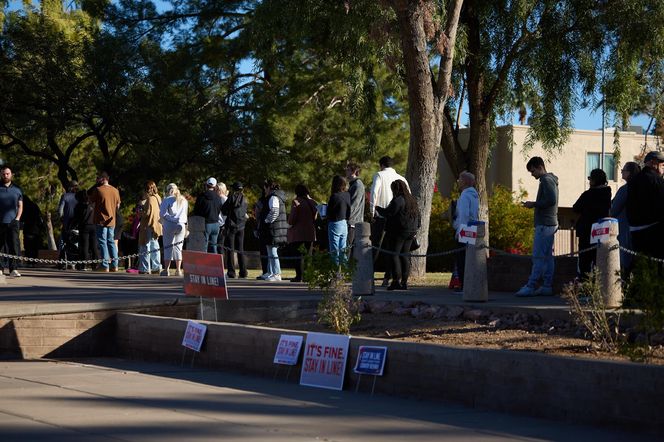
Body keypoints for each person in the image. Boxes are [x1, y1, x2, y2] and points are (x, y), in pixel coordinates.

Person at [516, 157, 559, 297]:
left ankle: (531, 285)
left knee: (538, 257)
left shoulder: (546, 180)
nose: (532, 174)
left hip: (545, 224)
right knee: (547, 257)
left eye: (533, 171)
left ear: (540, 167)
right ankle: (546, 285)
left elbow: (551, 200)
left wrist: (533, 204)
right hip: (549, 223)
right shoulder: (550, 180)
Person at [369, 156, 409, 286]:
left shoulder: (379, 175)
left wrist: (372, 211)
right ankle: (388, 276)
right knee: (391, 249)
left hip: (382, 216)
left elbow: (374, 193)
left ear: (381, 165)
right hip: (398, 219)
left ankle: (369, 273)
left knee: (375, 245)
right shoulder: (402, 178)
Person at [376, 180, 419, 290]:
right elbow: (418, 216)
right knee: (404, 255)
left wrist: (377, 208)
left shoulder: (398, 200)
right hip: (411, 231)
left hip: (399, 231)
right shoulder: (412, 200)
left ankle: (396, 280)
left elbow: (388, 212)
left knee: (394, 255)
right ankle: (404, 282)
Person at [572, 168, 611, 280]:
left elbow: (576, 208)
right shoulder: (607, 193)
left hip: (587, 230)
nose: (589, 181)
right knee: (599, 260)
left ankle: (585, 285)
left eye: (590, 178)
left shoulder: (588, 194)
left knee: (584, 261)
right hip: (601, 230)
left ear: (594, 180)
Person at [626, 150, 664, 265]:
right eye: (663, 165)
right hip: (653, 232)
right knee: (654, 269)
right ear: (654, 163)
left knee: (641, 266)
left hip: (635, 231)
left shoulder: (633, 180)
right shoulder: (656, 180)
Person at [610, 161, 641, 272]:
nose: (622, 172)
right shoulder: (641, 187)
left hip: (624, 227)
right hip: (638, 227)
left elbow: (614, 209)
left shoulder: (625, 189)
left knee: (625, 259)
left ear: (629, 173)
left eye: (624, 170)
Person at [451, 172, 479, 293]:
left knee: (461, 258)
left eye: (460, 180)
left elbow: (464, 214)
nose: (458, 182)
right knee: (468, 258)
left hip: (464, 228)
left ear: (465, 182)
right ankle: (468, 283)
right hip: (472, 228)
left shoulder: (464, 196)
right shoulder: (474, 195)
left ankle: (463, 285)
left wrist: (459, 230)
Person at [88, 171, 121, 272]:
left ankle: (105, 265)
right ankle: (115, 265)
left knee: (102, 242)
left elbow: (91, 202)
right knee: (111, 241)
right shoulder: (115, 191)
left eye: (98, 178)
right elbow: (118, 206)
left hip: (100, 220)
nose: (97, 180)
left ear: (102, 179)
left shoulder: (98, 190)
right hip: (112, 220)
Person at [287, 184, 318, 282]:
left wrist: (289, 223)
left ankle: (299, 276)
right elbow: (316, 217)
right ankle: (307, 276)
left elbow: (292, 219)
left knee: (297, 255)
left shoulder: (296, 202)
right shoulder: (313, 202)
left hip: (298, 233)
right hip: (310, 232)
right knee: (308, 255)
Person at [258, 180, 287, 281]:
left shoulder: (273, 197)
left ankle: (277, 273)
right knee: (270, 251)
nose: (264, 190)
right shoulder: (276, 197)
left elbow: (275, 211)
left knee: (273, 251)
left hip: (274, 229)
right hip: (275, 228)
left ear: (269, 188)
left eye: (265, 188)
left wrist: (266, 221)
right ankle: (270, 272)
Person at [160, 183, 188, 276]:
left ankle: (166, 269)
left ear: (168, 190)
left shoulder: (166, 200)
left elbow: (163, 214)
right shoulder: (184, 200)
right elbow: (185, 214)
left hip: (169, 224)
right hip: (181, 225)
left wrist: (170, 219)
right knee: (178, 247)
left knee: (168, 246)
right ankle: (178, 270)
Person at [0, 165, 23, 277]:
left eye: (7, 174)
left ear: (11, 174)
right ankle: (0, 269)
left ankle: (13, 269)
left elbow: (20, 206)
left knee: (14, 245)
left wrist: (17, 218)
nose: (5, 176)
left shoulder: (17, 190)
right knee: (0, 246)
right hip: (0, 223)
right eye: (3, 174)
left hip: (13, 222)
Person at [222, 182, 248, 278]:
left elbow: (224, 210)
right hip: (241, 226)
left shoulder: (231, 197)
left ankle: (231, 272)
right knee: (240, 249)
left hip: (232, 226)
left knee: (230, 249)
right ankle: (243, 271)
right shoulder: (245, 199)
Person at [193, 177, 224, 254]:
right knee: (214, 246)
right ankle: (215, 265)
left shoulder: (201, 197)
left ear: (206, 185)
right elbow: (219, 209)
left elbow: (196, 211)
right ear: (215, 186)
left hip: (205, 223)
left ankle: (204, 265)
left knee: (204, 246)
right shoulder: (218, 197)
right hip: (216, 224)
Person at [138, 181, 162, 274]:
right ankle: (156, 267)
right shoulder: (158, 197)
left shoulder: (150, 199)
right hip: (156, 225)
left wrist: (140, 213)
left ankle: (144, 268)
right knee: (155, 246)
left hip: (148, 225)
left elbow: (147, 213)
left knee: (145, 246)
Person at [73, 189, 99, 271]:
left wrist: (73, 226)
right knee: (94, 246)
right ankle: (95, 265)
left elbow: (76, 218)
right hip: (94, 226)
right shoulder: (93, 204)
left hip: (84, 226)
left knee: (84, 246)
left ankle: (83, 265)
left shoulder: (78, 206)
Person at [327, 175, 351, 265]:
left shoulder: (334, 196)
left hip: (335, 223)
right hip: (344, 222)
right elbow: (349, 209)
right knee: (343, 249)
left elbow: (329, 212)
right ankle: (344, 272)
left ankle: (336, 272)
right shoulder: (347, 195)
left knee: (334, 250)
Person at [345, 162, 365, 249]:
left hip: (352, 222)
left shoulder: (357, 185)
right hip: (352, 221)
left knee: (347, 249)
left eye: (348, 170)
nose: (346, 172)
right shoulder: (353, 184)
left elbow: (354, 205)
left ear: (354, 171)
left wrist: (345, 217)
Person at [57, 180, 78, 256]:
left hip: (67, 223)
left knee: (63, 242)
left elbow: (60, 211)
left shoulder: (65, 196)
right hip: (77, 224)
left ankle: (62, 260)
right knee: (76, 241)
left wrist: (61, 219)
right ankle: (75, 261)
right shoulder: (80, 197)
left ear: (70, 187)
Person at [215, 182, 229, 256]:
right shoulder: (218, 198)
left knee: (220, 245)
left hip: (222, 225)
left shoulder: (223, 199)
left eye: (217, 189)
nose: (215, 190)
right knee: (217, 245)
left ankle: (221, 264)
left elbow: (226, 214)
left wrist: (224, 224)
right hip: (218, 224)